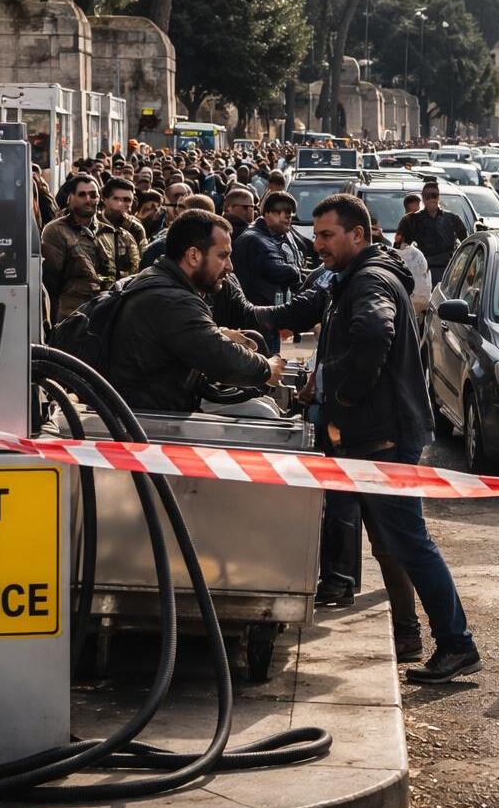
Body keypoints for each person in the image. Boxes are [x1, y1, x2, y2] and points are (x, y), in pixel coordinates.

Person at [293, 193, 480, 684]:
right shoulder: (354, 276)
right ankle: (410, 634)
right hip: (375, 434)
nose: (319, 245)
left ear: (358, 234)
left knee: (410, 542)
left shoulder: (370, 280)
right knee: (391, 542)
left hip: (382, 437)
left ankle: (457, 644)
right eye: (316, 236)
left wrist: (343, 396)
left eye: (328, 235)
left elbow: (374, 334)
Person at [102, 210, 285, 411]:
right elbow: (220, 357)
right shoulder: (172, 300)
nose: (230, 267)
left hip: (158, 404)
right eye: (223, 256)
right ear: (193, 255)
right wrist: (267, 368)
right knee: (261, 412)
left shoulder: (163, 284)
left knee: (262, 406)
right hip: (150, 417)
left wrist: (221, 332)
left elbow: (187, 335)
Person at [41, 174, 137, 321]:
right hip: (70, 316)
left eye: (93, 195)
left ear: (99, 198)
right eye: (82, 195)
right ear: (70, 197)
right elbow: (50, 283)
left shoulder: (110, 232)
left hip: (105, 314)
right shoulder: (56, 231)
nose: (88, 200)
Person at [230, 191, 304, 353]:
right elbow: (281, 271)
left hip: (272, 316)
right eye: (282, 212)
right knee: (264, 365)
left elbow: (300, 256)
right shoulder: (255, 239)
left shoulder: (282, 235)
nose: (288, 217)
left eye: (290, 212)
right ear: (268, 213)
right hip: (257, 319)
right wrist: (297, 271)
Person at [396, 180, 467, 284]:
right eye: (427, 196)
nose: (431, 199)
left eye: (434, 195)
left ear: (438, 197)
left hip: (448, 272)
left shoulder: (452, 219)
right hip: (422, 272)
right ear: (423, 198)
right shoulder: (411, 220)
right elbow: (400, 249)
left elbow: (466, 245)